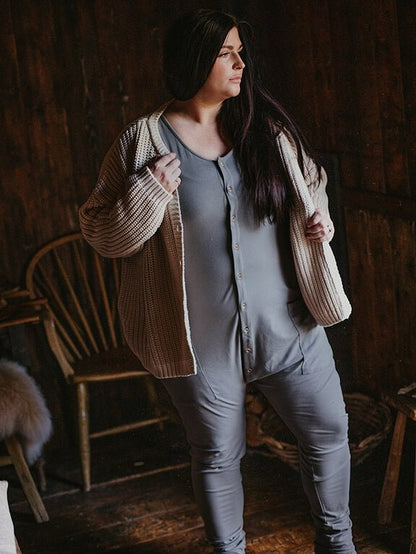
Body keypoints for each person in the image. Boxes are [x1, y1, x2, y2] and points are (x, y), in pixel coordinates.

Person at [79, 8, 355, 553]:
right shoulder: (143, 141)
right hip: (200, 345)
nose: (239, 63)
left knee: (329, 433)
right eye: (226, 53)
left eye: (239, 52)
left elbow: (312, 183)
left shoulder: (264, 129)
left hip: (290, 329)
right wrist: (148, 192)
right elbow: (101, 233)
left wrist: (317, 217)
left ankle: (338, 544)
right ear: (194, 60)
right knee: (217, 455)